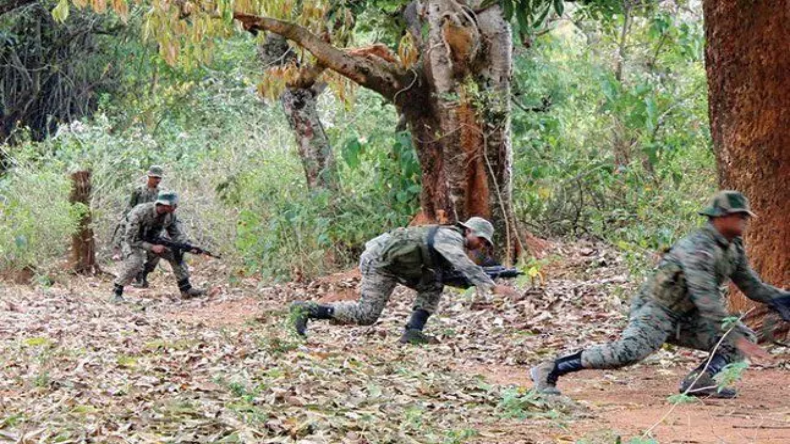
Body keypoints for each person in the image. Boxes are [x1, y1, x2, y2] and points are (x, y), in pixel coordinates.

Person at [531, 191, 790, 398]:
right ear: (720, 217)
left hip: (688, 316)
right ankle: (551, 368)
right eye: (739, 215)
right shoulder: (698, 248)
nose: (745, 220)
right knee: (626, 353)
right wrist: (733, 336)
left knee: (743, 335)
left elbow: (751, 286)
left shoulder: (732, 247)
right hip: (658, 309)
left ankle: (701, 381)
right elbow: (706, 298)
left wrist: (781, 298)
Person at [290, 217, 519, 344]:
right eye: (480, 240)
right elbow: (461, 263)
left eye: (484, 244)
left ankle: (413, 332)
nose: (480, 246)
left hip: (399, 266)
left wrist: (496, 275)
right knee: (366, 314)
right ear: (468, 230)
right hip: (379, 262)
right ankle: (308, 310)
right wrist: (492, 286)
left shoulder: (451, 240)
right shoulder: (449, 236)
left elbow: (454, 277)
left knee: (434, 282)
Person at [111, 191, 205, 303]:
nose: (176, 207)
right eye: (173, 205)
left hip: (152, 239)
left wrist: (188, 246)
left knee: (175, 255)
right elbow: (131, 238)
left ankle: (186, 289)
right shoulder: (140, 212)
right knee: (135, 262)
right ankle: (116, 292)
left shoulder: (170, 216)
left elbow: (177, 235)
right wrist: (152, 247)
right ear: (165, 205)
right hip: (129, 239)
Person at [112, 165, 164, 288]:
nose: (157, 180)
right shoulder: (139, 191)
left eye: (159, 178)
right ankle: (138, 277)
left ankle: (144, 275)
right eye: (155, 177)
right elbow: (129, 209)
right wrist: (123, 225)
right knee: (136, 253)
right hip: (136, 226)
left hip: (153, 228)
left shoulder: (162, 193)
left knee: (155, 254)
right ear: (149, 177)